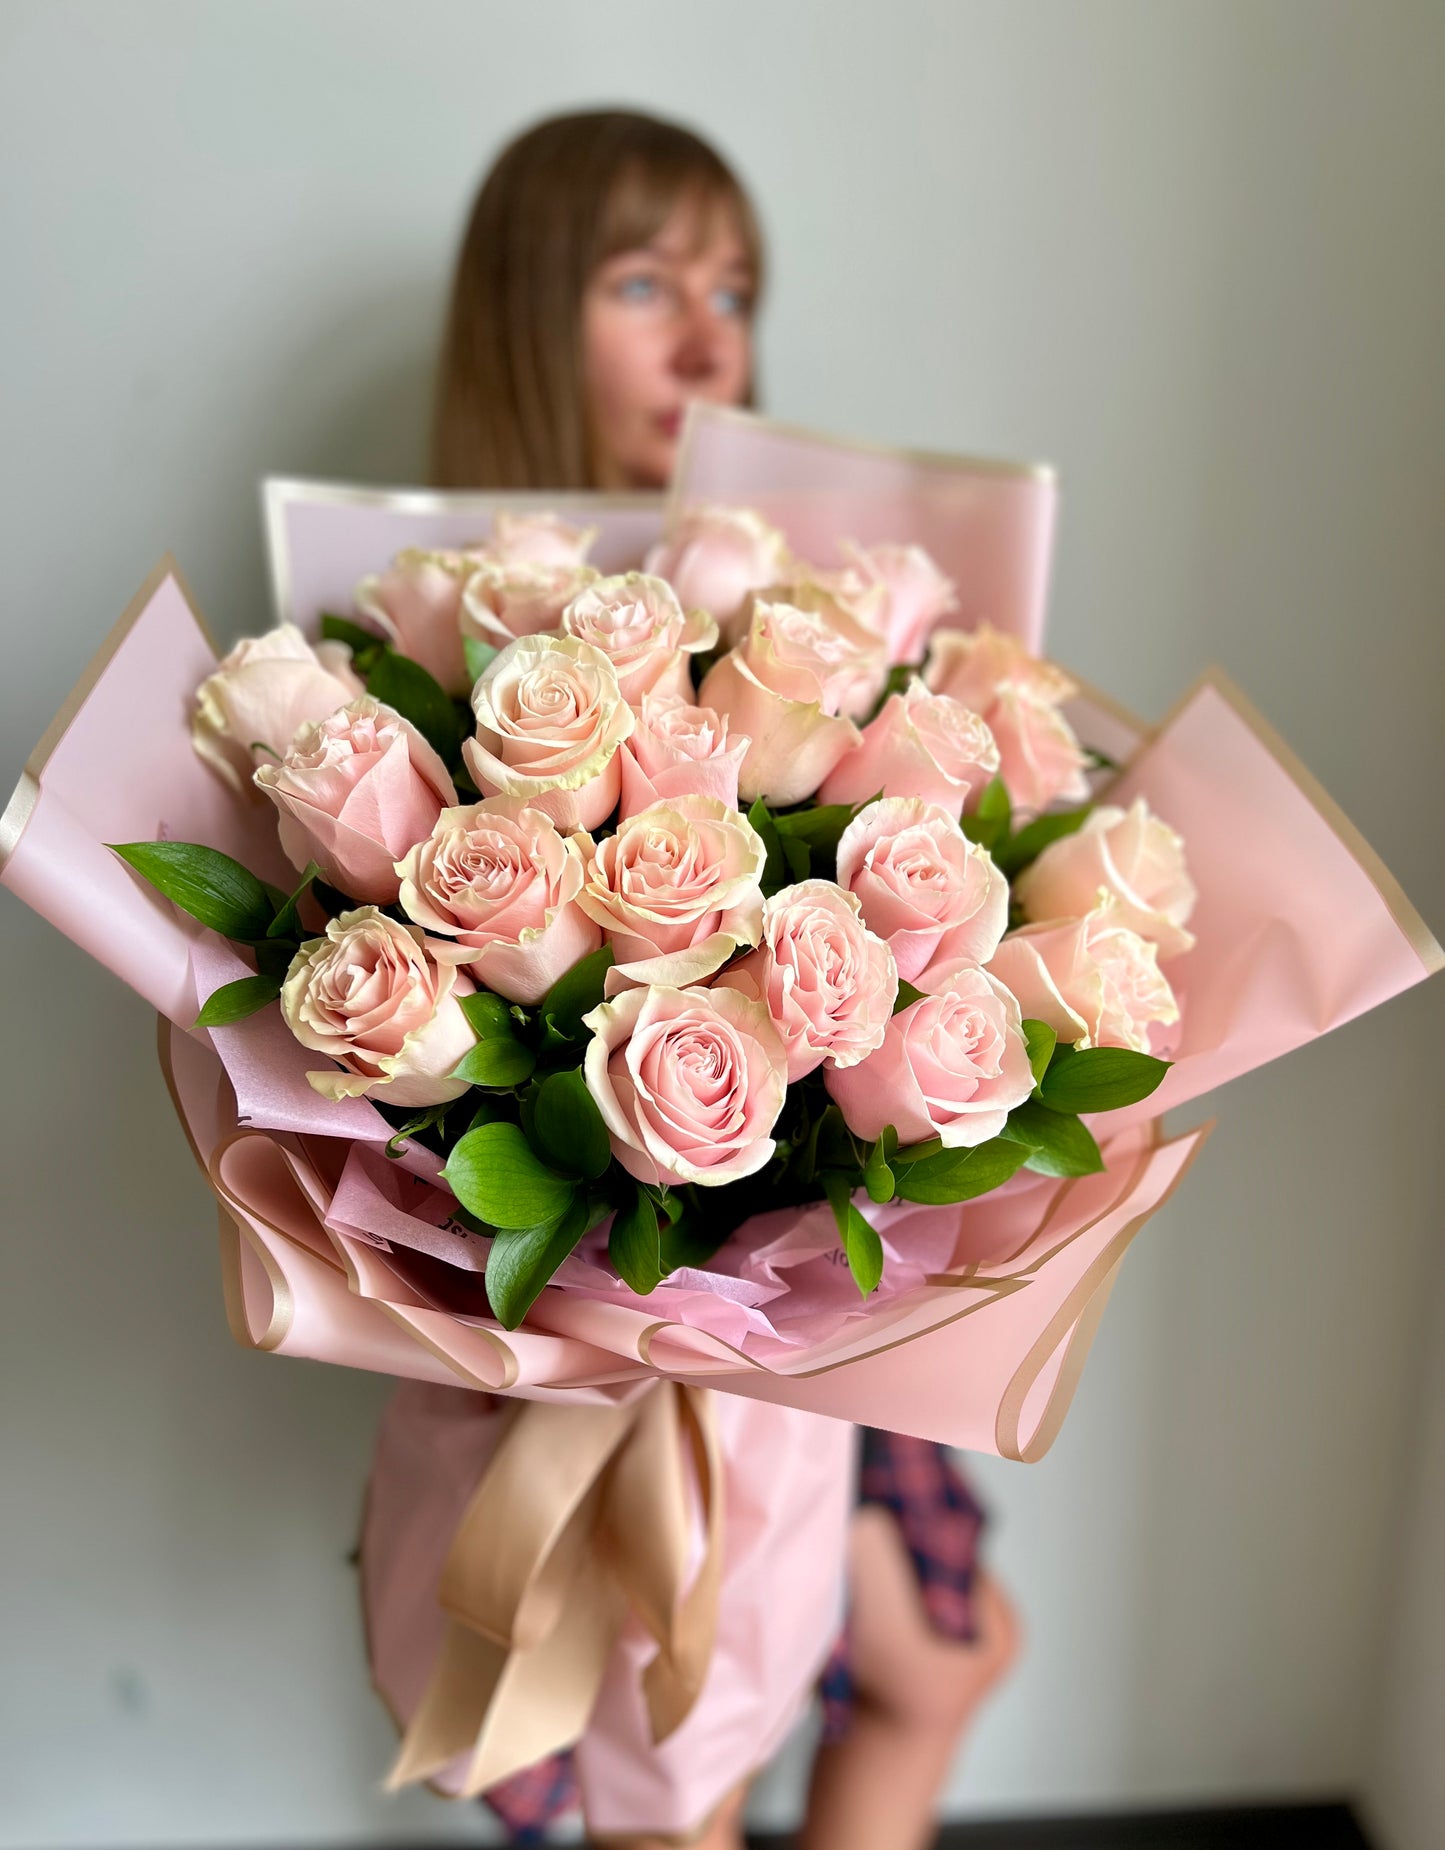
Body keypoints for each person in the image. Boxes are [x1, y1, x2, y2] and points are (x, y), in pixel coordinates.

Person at [430, 108, 1020, 1850]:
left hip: (793, 1322)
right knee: (665, 1793)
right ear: (530, 318)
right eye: (640, 282)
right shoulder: (425, 646)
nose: (710, 338)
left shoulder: (784, 621)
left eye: (733, 288)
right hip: (594, 1348)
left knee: (948, 1655)